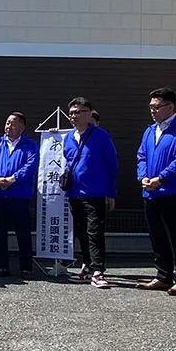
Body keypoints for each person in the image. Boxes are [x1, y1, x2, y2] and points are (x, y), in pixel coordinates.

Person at [135, 88, 176, 295]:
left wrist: (161, 178)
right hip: (151, 193)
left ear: (170, 107)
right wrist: (143, 177)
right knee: (158, 236)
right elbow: (141, 156)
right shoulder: (150, 130)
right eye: (151, 107)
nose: (152, 111)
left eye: (156, 107)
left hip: (173, 192)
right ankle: (163, 276)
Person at [62, 96, 118, 288]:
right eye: (71, 113)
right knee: (81, 232)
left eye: (78, 112)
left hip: (95, 193)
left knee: (95, 232)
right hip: (74, 193)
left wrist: (111, 192)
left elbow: (112, 164)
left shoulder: (101, 135)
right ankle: (87, 266)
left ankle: (98, 271)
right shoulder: (69, 137)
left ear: (89, 114)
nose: (73, 116)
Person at [0, 111, 39, 278]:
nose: (9, 126)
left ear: (22, 127)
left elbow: (31, 166)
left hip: (19, 196)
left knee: (23, 233)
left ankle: (26, 268)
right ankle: (2, 266)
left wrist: (12, 178)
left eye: (13, 123)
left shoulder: (30, 145)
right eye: (7, 122)